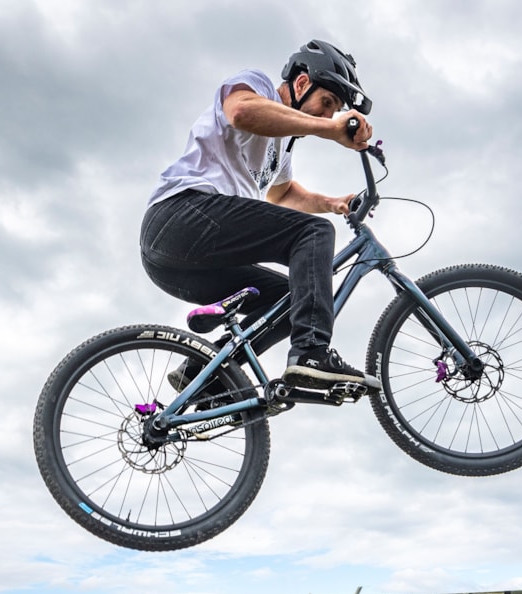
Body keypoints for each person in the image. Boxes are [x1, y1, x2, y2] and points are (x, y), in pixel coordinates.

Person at [140, 39, 380, 393]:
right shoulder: (258, 85)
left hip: (180, 263)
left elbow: (282, 194)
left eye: (334, 111)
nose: (328, 116)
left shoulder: (282, 146)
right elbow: (240, 112)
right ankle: (311, 354)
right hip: (179, 215)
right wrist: (330, 130)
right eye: (326, 103)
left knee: (290, 298)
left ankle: (202, 376)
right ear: (301, 84)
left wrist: (333, 202)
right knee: (314, 233)